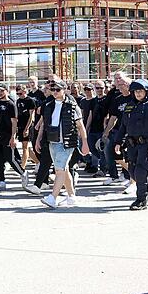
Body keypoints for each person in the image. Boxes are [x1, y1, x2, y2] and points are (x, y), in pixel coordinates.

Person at [113, 79, 148, 210]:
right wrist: (118, 142)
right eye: (136, 91)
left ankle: (141, 200)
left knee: (140, 172)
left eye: (141, 91)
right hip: (132, 144)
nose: (138, 94)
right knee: (132, 171)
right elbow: (123, 126)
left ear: (146, 91)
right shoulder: (129, 106)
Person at [37, 80, 90, 209]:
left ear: (64, 90)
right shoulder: (49, 104)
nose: (55, 92)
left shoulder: (72, 106)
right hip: (52, 142)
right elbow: (44, 123)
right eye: (53, 90)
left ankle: (52, 198)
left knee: (59, 170)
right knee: (63, 169)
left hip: (67, 143)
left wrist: (85, 143)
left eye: (58, 90)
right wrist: (38, 139)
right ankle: (71, 197)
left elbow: (80, 126)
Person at [0, 83, 28, 195]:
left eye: (2, 90)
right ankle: (1, 180)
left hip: (7, 135)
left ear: (6, 91)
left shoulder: (11, 104)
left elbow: (14, 122)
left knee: (10, 158)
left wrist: (13, 137)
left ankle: (23, 173)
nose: (0, 93)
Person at [85, 80, 108, 178]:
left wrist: (106, 130)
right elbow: (90, 115)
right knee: (92, 148)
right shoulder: (93, 101)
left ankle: (103, 169)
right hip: (93, 129)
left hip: (102, 130)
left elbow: (109, 115)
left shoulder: (107, 100)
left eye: (101, 88)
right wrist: (86, 129)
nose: (99, 90)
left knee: (102, 149)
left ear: (105, 88)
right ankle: (104, 162)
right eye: (97, 88)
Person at [15, 84, 37, 171]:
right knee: (26, 147)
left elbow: (32, 116)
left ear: (24, 91)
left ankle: (22, 167)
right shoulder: (18, 101)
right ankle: (38, 162)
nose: (19, 95)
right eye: (17, 94)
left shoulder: (30, 101)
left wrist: (27, 128)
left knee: (25, 147)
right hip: (20, 125)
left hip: (27, 125)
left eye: (20, 93)